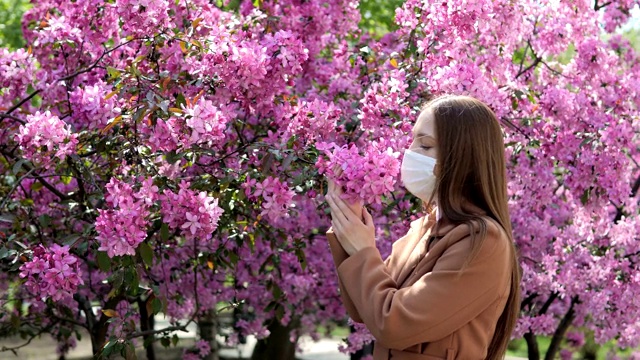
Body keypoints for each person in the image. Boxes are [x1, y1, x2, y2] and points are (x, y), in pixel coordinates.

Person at [325, 94, 521, 360]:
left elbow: (392, 324)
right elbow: (365, 308)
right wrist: (348, 229)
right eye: (413, 142)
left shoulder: (484, 241)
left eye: (426, 146)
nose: (410, 154)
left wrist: (362, 251)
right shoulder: (422, 229)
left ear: (464, 157)